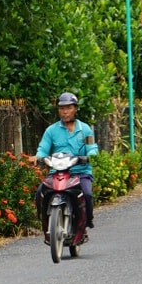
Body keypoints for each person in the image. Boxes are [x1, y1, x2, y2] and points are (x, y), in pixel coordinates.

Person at [32, 92, 99, 235]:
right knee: (39, 193)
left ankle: (87, 220)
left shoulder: (85, 130)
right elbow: (43, 148)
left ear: (75, 109)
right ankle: (45, 220)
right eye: (62, 108)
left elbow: (92, 148)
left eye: (69, 108)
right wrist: (38, 157)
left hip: (80, 172)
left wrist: (90, 156)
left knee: (87, 194)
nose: (65, 111)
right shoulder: (51, 130)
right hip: (57, 172)